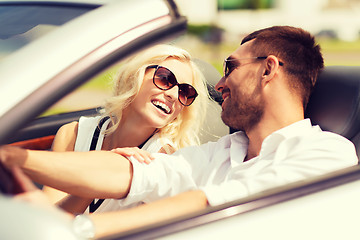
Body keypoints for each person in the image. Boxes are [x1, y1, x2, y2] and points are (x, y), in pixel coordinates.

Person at [1, 26, 358, 239]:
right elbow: (136, 173)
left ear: (268, 69)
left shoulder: (329, 153)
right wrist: (14, 157)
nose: (219, 83)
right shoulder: (224, 150)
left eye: (230, 67)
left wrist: (78, 230)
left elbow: (211, 201)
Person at [41, 44, 210, 213]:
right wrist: (98, 178)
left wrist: (97, 181)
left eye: (184, 92)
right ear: (135, 75)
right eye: (165, 78)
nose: (173, 95)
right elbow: (48, 219)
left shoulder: (164, 161)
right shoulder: (72, 135)